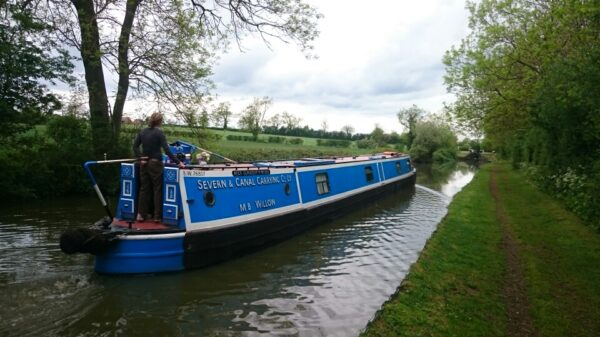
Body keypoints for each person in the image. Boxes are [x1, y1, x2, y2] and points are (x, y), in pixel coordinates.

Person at [133, 112, 185, 222]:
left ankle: (140, 215)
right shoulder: (159, 132)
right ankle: (157, 217)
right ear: (160, 121)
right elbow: (166, 149)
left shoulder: (142, 131)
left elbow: (135, 146)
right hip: (155, 164)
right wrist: (178, 162)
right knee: (157, 189)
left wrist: (140, 158)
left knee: (144, 189)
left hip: (144, 163)